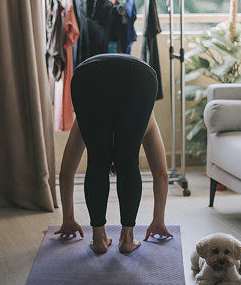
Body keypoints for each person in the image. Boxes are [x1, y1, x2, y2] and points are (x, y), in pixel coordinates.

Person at [55, 54, 173, 253]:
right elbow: (161, 173)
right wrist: (158, 219)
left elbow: (66, 172)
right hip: (138, 77)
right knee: (128, 162)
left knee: (97, 162)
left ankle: (99, 239)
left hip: (89, 76)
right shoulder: (145, 120)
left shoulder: (85, 123)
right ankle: (127, 239)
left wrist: (68, 219)